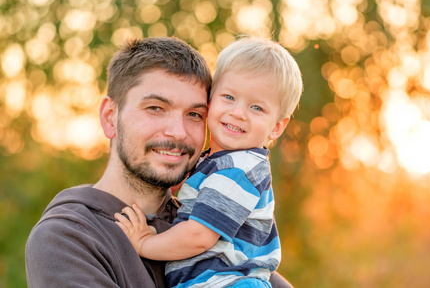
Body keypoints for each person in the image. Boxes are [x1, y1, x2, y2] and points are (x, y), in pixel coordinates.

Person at [25, 36, 293, 287]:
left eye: (195, 114)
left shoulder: (213, 230)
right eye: (156, 108)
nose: (178, 132)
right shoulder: (68, 238)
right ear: (110, 117)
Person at [115, 36, 303, 287]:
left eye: (257, 108)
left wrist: (144, 243)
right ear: (210, 100)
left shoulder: (238, 170)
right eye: (229, 97)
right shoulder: (217, 162)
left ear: (277, 127)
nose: (238, 113)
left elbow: (199, 236)